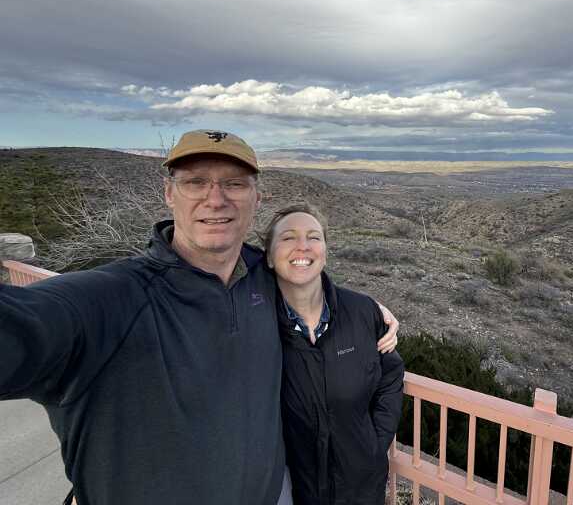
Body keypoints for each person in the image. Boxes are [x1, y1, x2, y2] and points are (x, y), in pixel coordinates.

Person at [0, 130, 399, 505]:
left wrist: (365, 311)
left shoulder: (262, 276)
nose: (216, 198)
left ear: (256, 198)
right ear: (169, 194)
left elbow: (304, 275)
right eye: (195, 182)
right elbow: (25, 326)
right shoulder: (111, 298)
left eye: (234, 184)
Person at [264, 204, 404, 505]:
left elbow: (391, 376)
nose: (303, 246)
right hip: (298, 490)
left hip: (363, 488)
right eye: (288, 237)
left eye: (313, 237)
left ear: (325, 252)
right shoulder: (258, 323)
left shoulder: (362, 312)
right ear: (269, 257)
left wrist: (375, 443)